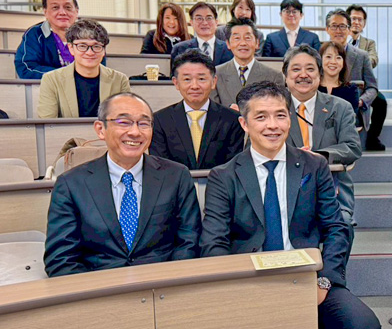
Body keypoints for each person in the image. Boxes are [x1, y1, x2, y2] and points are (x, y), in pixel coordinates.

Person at [200, 82, 381, 329]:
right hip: (250, 283)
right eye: (261, 117)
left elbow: (336, 228)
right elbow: (213, 244)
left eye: (281, 115)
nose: (273, 125)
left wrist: (325, 281)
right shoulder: (224, 175)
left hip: (308, 277)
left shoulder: (314, 165)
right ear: (244, 123)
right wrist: (240, 289)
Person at [44, 92, 202, 277]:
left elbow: (189, 241)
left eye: (143, 123)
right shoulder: (71, 184)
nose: (135, 132)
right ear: (100, 129)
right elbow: (61, 258)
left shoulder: (176, 176)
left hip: (164, 287)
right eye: (123, 122)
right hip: (98, 292)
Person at [283, 45, 362, 252]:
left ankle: (332, 281)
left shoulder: (340, 107)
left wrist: (317, 157)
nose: (303, 75)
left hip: (331, 190)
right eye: (296, 69)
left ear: (319, 74)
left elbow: (352, 148)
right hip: (283, 190)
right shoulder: (273, 108)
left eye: (310, 69)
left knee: (342, 224)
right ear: (285, 75)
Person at [150, 49, 244, 170]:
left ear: (214, 81)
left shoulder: (232, 119)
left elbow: (233, 166)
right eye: (187, 79)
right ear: (176, 83)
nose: (194, 86)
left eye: (201, 79)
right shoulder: (160, 120)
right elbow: (160, 166)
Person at [38, 19, 131, 118]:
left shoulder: (120, 80)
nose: (90, 52)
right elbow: (48, 124)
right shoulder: (51, 80)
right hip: (68, 133)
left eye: (96, 46)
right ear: (71, 48)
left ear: (104, 50)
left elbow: (125, 119)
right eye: (82, 46)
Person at [326, 9, 386, 151]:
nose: (338, 31)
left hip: (354, 106)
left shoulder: (362, 55)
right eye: (334, 26)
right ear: (327, 29)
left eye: (343, 26)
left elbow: (372, 87)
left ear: (348, 29)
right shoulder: (318, 53)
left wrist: (361, 101)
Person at [211, 18, 283, 109]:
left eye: (247, 38)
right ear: (228, 44)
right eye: (237, 38)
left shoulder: (274, 76)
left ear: (257, 43)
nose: (243, 43)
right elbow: (214, 110)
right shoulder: (216, 74)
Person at [15, 0, 80, 79]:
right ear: (45, 12)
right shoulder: (35, 34)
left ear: (76, 11)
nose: (62, 12)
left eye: (68, 7)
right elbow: (26, 68)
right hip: (47, 89)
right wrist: (62, 75)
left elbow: (98, 67)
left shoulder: (90, 34)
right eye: (55, 7)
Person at [170, 2, 233, 71]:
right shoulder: (180, 49)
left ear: (216, 22)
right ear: (191, 23)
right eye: (199, 18)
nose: (204, 23)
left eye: (209, 18)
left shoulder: (229, 49)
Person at [319, 40, 360, 114]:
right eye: (328, 57)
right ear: (320, 59)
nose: (333, 62)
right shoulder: (312, 88)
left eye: (338, 57)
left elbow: (350, 118)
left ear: (343, 62)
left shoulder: (351, 90)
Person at [346, 4, 378, 69]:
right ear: (346, 20)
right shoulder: (339, 41)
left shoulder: (369, 43)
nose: (357, 22)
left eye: (360, 19)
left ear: (364, 23)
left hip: (361, 77)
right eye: (353, 19)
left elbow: (373, 60)